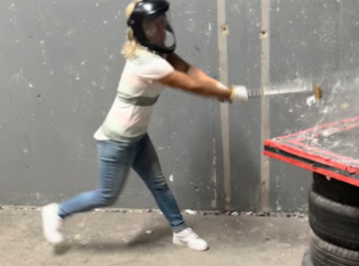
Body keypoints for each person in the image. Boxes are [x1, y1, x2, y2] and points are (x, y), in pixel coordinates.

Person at [41, 0, 248, 251]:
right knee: (106, 196)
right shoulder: (147, 62)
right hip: (116, 140)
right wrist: (227, 93)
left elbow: (190, 70)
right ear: (141, 30)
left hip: (137, 137)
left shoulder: (159, 54)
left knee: (158, 184)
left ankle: (180, 231)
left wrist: (222, 90)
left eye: (162, 23)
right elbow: (189, 84)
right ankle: (57, 212)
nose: (161, 29)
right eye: (154, 25)